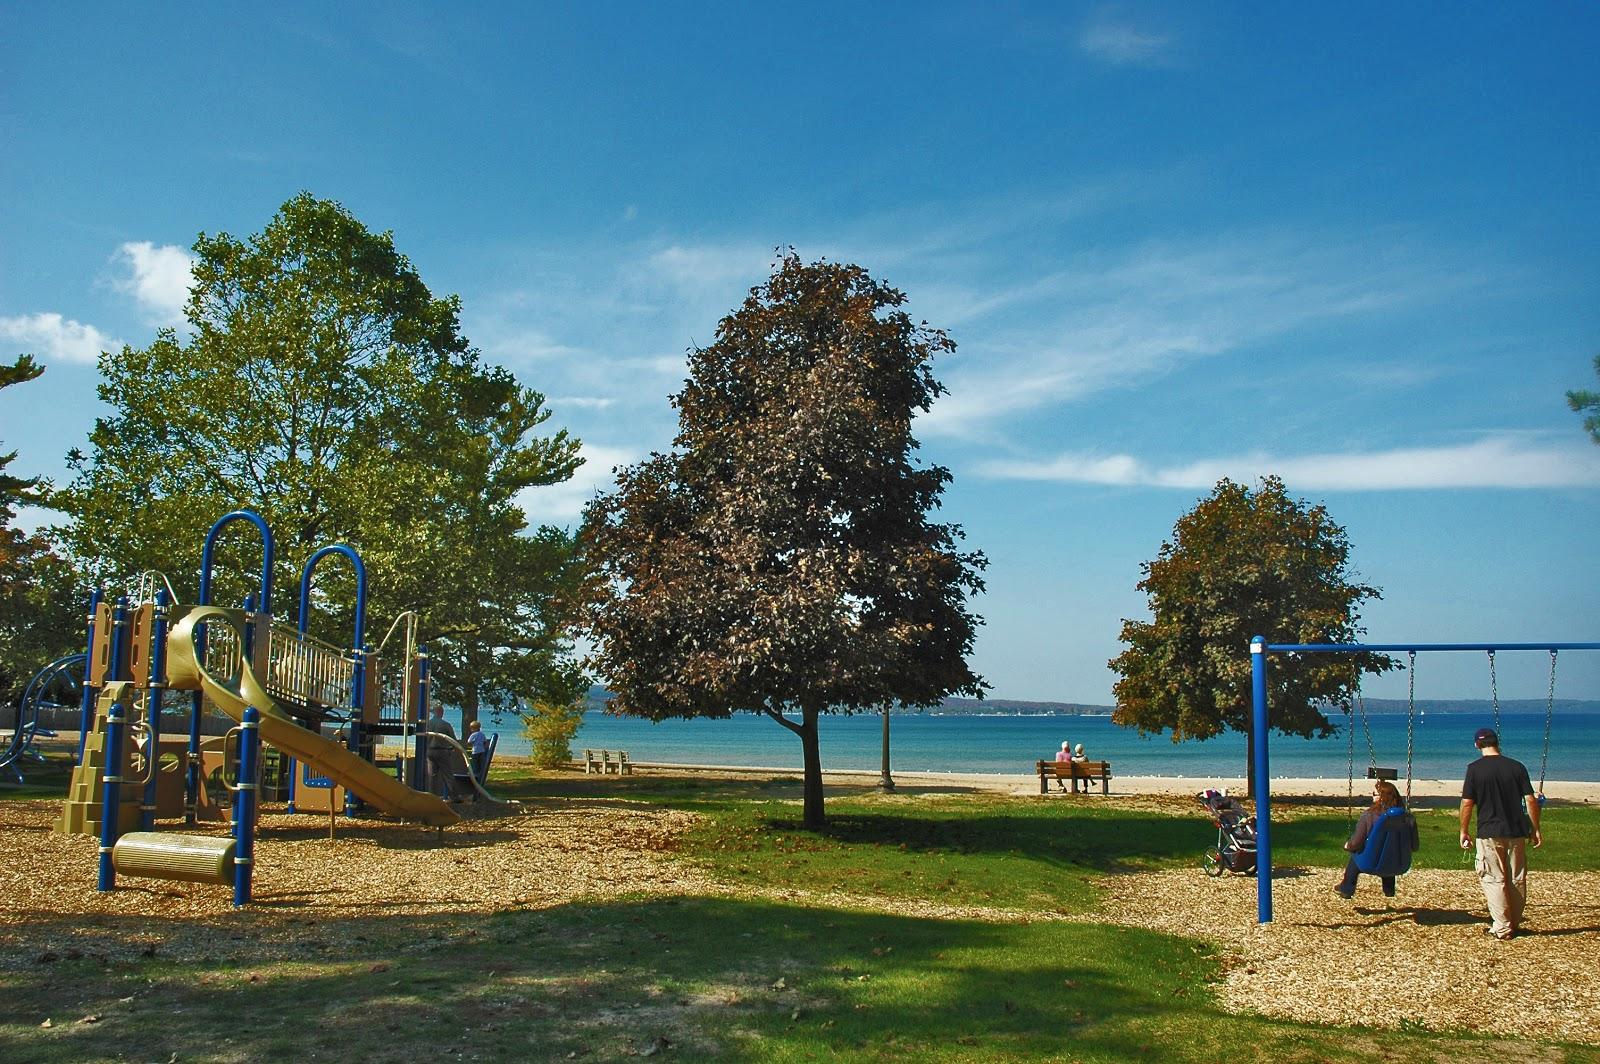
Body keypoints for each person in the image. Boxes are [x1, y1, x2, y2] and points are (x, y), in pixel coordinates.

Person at [1460, 727, 1541, 940]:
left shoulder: (1475, 769)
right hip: (1516, 830)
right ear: (1497, 743)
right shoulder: (1516, 767)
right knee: (1517, 877)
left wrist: (1463, 830)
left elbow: (1467, 803)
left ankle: (1502, 927)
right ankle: (1513, 921)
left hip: (1489, 831)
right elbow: (1530, 799)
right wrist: (1535, 828)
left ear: (1477, 744)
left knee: (1493, 877)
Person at [1334, 779, 1418, 899]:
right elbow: (1415, 846)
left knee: (1355, 856)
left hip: (1370, 863)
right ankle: (1389, 889)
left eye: (1374, 794)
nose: (1372, 797)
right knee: (1389, 850)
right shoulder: (1408, 819)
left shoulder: (1369, 816)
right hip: (1400, 864)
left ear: (1382, 797)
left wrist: (1348, 845)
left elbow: (1357, 842)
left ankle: (1347, 889)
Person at [422, 706, 458, 800]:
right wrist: (454, 748)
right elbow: (452, 739)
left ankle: (432, 796)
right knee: (448, 774)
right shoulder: (445, 724)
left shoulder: (427, 724)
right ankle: (454, 796)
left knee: (432, 775)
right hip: (442, 751)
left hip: (429, 751)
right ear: (441, 712)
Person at [466, 719, 490, 785]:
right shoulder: (482, 734)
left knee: (474, 762)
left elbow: (469, 742)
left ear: (473, 728)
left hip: (475, 751)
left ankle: (474, 773)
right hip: (482, 751)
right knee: (480, 763)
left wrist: (470, 745)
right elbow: (485, 742)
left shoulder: (473, 735)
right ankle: (480, 774)